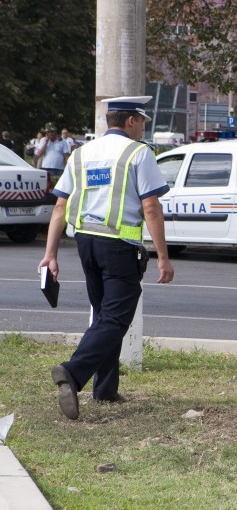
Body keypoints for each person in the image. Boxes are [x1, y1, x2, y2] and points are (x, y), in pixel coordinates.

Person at [39, 96, 174, 420]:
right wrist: (163, 257)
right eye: (142, 120)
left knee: (104, 314)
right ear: (130, 121)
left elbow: (60, 206)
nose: (143, 126)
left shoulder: (81, 153)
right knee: (115, 318)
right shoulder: (139, 153)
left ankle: (106, 389)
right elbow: (151, 207)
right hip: (118, 246)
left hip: (85, 243)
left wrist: (50, 254)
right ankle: (73, 372)